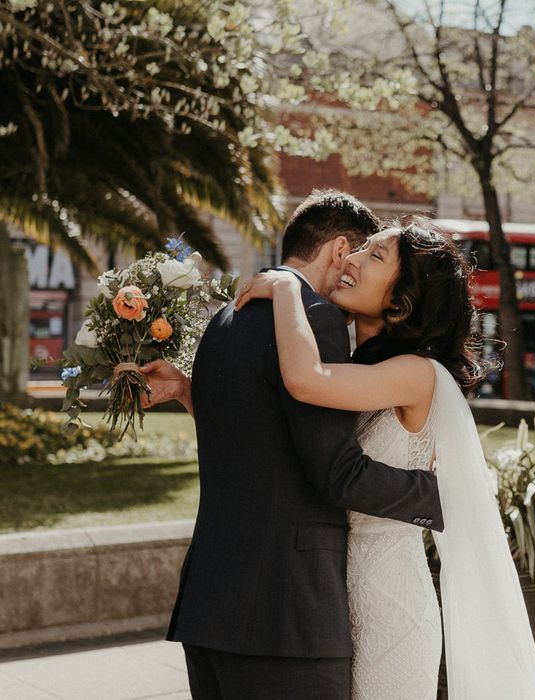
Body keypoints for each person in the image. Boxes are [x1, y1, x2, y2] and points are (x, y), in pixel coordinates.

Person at [139, 191, 444, 700]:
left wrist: (187, 389)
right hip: (287, 614)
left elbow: (256, 434)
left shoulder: (225, 319)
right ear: (339, 248)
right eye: (362, 253)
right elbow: (336, 472)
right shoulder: (314, 317)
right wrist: (440, 497)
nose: (355, 269)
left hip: (209, 605)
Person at [236, 222, 535, 699]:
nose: (353, 258)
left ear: (400, 302)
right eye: (360, 248)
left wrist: (286, 288)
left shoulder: (415, 374)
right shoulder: (359, 363)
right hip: (331, 599)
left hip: (391, 605)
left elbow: (306, 380)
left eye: (375, 256)